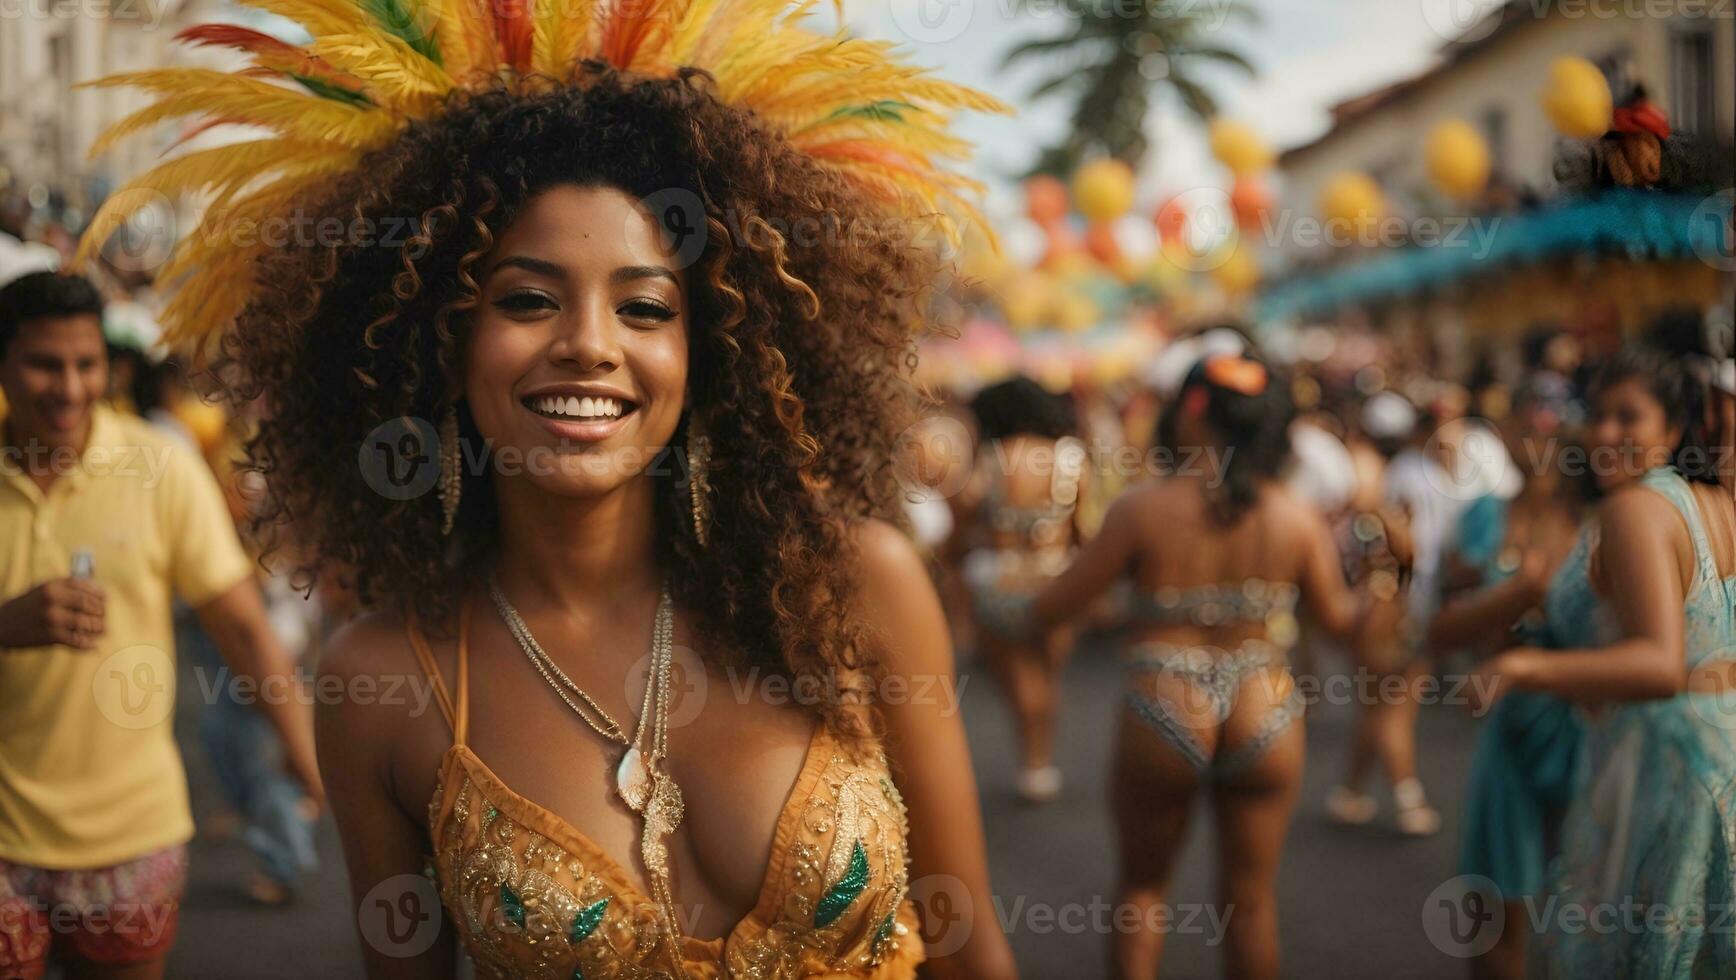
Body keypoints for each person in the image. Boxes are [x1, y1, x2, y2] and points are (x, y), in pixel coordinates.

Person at [77, 4, 1018, 977]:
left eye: (645, 306)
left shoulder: (851, 585)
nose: (588, 343)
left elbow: (965, 940)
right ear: (436, 339)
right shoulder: (383, 683)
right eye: (526, 298)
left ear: (713, 352)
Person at [0, 270, 322, 979]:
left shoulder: (160, 467)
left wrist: (311, 758)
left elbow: (242, 628)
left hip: (133, 838)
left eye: (86, 365)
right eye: (43, 364)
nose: (70, 387)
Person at [1017, 353, 1377, 980]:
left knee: (1142, 894)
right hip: (1264, 701)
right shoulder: (1293, 515)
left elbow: (1050, 610)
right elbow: (1345, 626)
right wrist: (1389, 584)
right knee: (1252, 905)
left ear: (1192, 409)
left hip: (1164, 696)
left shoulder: (1141, 510)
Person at [1474, 344, 1736, 977]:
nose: (1606, 434)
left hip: (1665, 768)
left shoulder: (1638, 507)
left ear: (1672, 431)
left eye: (1629, 417)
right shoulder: (1717, 505)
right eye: (1598, 415)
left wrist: (1525, 671)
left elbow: (1658, 666)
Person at [1431, 390, 1595, 980]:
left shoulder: (1609, 519)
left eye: (1551, 425)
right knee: (1496, 911)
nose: (1536, 437)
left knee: (1594, 912)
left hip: (1594, 729)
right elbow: (1441, 629)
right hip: (1512, 731)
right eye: (1523, 421)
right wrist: (1516, 593)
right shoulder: (1485, 515)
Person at [959, 376, 1088, 802]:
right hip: (1058, 582)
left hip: (1001, 582)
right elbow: (1085, 529)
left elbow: (965, 519)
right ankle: (1042, 761)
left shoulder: (990, 459)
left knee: (1018, 678)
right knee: (1048, 673)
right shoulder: (1071, 458)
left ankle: (1031, 761)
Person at [1324, 391, 1441, 836]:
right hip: (1408, 604)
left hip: (1391, 605)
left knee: (1382, 708)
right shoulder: (1419, 473)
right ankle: (1391, 794)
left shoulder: (1384, 481)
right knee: (1390, 708)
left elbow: (1400, 549)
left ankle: (1363, 792)